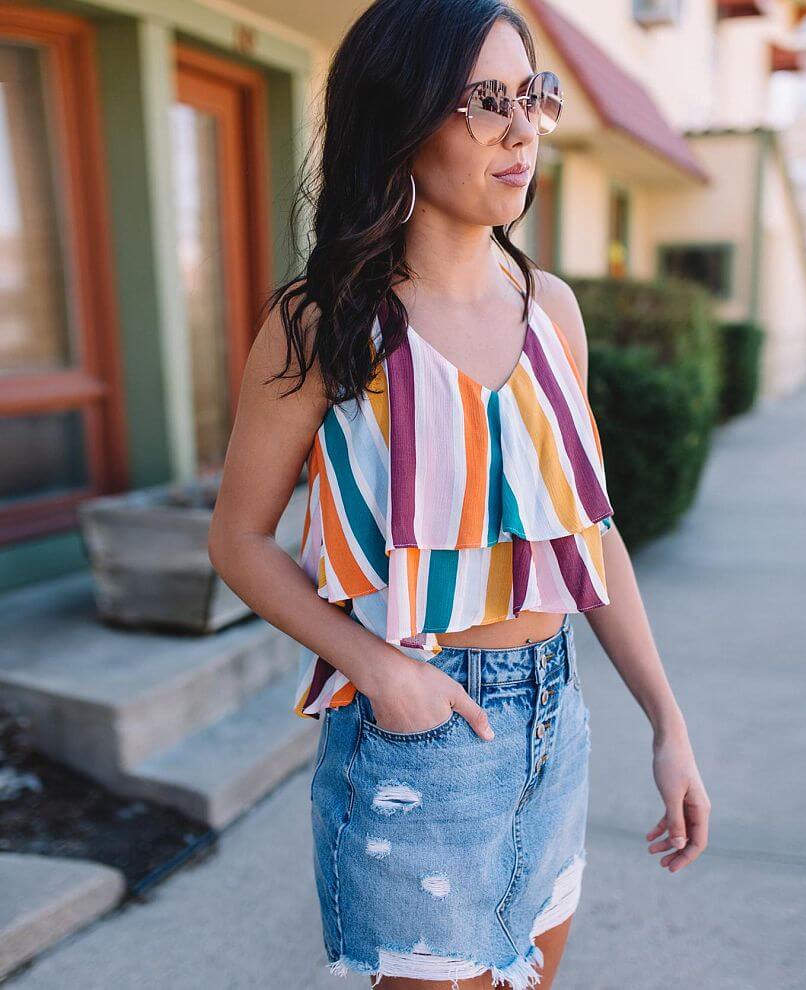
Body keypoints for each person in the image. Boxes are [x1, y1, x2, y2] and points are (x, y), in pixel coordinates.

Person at [208, 2, 711, 987]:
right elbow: (237, 539)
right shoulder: (325, 324)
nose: (521, 129)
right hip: (422, 742)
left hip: (553, 721)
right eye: (486, 102)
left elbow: (589, 532)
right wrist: (382, 674)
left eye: (533, 97)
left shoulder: (551, 310)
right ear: (401, 117)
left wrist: (667, 721)